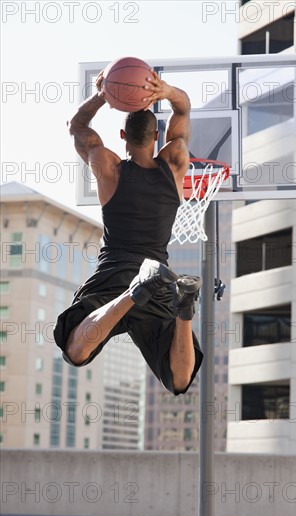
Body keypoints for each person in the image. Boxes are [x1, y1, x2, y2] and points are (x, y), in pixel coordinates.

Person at [53, 68, 203, 395]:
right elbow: (184, 108)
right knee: (179, 379)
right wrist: (165, 90)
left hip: (115, 271)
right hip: (160, 274)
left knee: (75, 349)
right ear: (156, 137)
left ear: (122, 137)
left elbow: (76, 127)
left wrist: (101, 95)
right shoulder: (175, 160)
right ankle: (185, 307)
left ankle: (131, 293)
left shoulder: (108, 167)